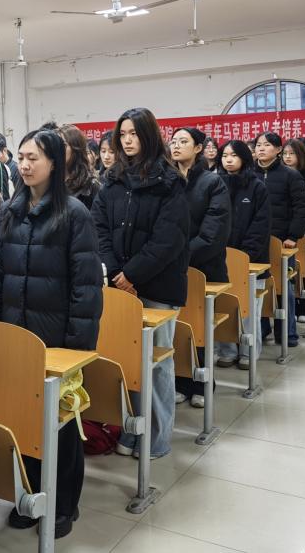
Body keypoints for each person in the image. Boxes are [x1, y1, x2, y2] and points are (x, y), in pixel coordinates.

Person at [0, 128, 101, 538]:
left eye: (33, 157)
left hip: (56, 341)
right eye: (20, 157)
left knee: (60, 425)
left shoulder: (74, 214)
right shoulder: (9, 211)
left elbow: (86, 287)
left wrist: (76, 347)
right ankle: (31, 495)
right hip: (14, 337)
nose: (24, 164)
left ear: (54, 162)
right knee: (20, 420)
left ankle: (64, 504)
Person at [92, 108, 189, 459]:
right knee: (126, 362)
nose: (127, 140)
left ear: (148, 135)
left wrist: (131, 274)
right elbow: (99, 228)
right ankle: (132, 430)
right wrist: (117, 272)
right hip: (119, 286)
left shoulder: (170, 181)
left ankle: (157, 436)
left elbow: (169, 238)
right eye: (123, 134)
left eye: (134, 133)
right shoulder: (112, 179)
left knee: (156, 364)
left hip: (158, 286)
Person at [169, 127, 230, 407]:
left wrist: (179, 256)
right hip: (171, 268)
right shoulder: (166, 181)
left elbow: (213, 234)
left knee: (199, 329)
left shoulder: (212, 183)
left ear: (197, 148)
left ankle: (203, 384)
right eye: (173, 141)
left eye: (183, 141)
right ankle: (181, 381)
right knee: (177, 329)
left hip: (203, 268)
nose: (176, 146)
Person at [216, 140, 271, 368]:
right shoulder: (215, 183)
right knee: (224, 305)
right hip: (220, 258)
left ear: (244, 158)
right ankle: (227, 350)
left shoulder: (257, 186)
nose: (228, 160)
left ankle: (249, 353)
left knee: (249, 310)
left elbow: (261, 224)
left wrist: (245, 255)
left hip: (251, 260)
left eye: (234, 155)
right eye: (224, 155)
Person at [254, 132, 305, 347]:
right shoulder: (249, 173)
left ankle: (287, 333)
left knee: (283, 286)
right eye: (258, 144)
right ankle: (262, 328)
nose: (261, 148)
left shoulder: (290, 175)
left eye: (267, 145)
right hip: (256, 240)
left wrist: (293, 236)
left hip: (282, 241)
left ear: (278, 150)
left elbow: (301, 207)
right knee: (258, 286)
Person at [58, 123, 100, 209]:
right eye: (56, 145)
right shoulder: (50, 181)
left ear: (76, 148)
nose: (58, 149)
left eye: (63, 145)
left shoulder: (91, 186)